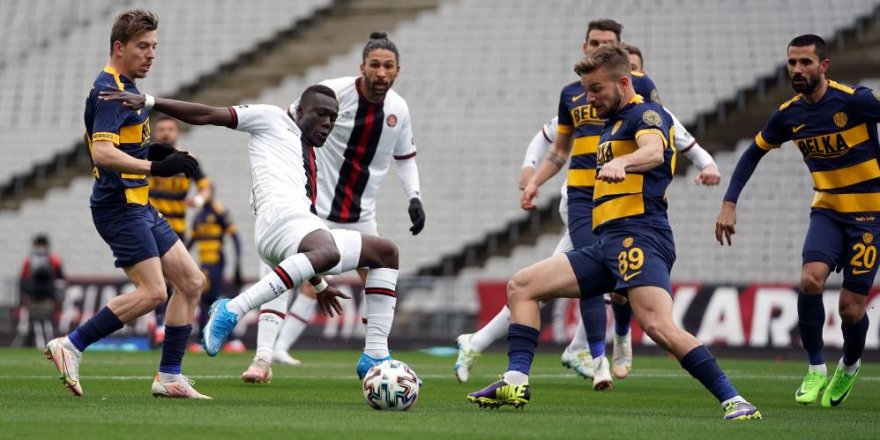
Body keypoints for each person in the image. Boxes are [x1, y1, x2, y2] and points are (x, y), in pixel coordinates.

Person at [467, 46, 761, 421]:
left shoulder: (647, 113)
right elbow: (562, 152)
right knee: (522, 286)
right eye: (585, 90)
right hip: (607, 242)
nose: (589, 99)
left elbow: (654, 152)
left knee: (657, 325)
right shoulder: (614, 122)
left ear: (623, 82)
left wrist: (623, 161)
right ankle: (514, 381)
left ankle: (735, 400)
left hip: (640, 236)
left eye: (595, 89)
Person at [100, 83, 403, 381]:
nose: (327, 123)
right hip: (278, 219)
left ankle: (374, 354)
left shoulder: (307, 156)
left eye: (332, 119)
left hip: (291, 230)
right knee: (328, 249)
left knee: (385, 253)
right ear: (299, 110)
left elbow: (305, 246)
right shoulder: (272, 118)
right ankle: (231, 309)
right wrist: (151, 101)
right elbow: (207, 114)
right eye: (321, 114)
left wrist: (319, 286)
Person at [241, 31, 425, 382]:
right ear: (362, 67)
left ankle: (375, 359)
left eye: (388, 67)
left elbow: (405, 159)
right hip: (313, 211)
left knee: (382, 276)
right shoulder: (334, 93)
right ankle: (262, 359)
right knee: (280, 274)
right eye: (375, 65)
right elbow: (286, 121)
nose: (381, 73)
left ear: (397, 71)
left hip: (361, 215)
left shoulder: (398, 110)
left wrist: (414, 197)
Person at [44, 9, 209, 399]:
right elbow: (102, 153)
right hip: (118, 206)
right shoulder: (109, 91)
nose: (151, 54)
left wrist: (159, 150)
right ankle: (70, 345)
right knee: (153, 292)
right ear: (119, 47)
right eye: (142, 46)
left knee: (190, 282)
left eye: (154, 46)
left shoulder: (129, 88)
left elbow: (123, 144)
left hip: (139, 204)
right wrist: (156, 165)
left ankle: (169, 376)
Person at [716, 34, 880, 408]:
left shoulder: (856, 101)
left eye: (805, 62)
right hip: (827, 210)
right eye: (792, 63)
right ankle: (815, 369)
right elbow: (751, 155)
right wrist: (729, 202)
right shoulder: (788, 114)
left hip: (870, 214)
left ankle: (850, 365)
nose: (797, 70)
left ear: (823, 66)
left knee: (851, 309)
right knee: (809, 281)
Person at [148, 114, 212, 345]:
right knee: (157, 279)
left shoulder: (187, 160)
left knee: (176, 280)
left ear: (177, 133)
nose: (166, 133)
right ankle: (158, 325)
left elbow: (205, 188)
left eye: (170, 129)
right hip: (150, 226)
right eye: (162, 129)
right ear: (156, 133)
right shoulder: (147, 156)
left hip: (177, 230)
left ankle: (164, 325)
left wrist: (199, 201)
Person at [186, 188, 243, 351]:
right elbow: (192, 241)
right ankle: (225, 339)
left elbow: (235, 238)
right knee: (209, 300)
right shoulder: (198, 216)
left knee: (208, 300)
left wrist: (238, 265)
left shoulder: (219, 212)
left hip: (217, 262)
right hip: (204, 264)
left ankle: (209, 339)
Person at [15, 234, 65, 348]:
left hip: (48, 297)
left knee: (48, 322)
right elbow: (23, 280)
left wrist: (57, 295)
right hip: (33, 298)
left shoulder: (54, 260)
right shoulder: (29, 261)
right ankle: (29, 345)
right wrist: (24, 294)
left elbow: (61, 279)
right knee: (32, 322)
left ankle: (52, 344)